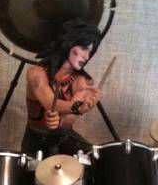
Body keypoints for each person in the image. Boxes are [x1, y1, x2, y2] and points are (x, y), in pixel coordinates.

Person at [21, 18, 102, 157]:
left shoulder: (81, 81)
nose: (86, 56)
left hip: (64, 137)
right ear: (68, 44)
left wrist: (60, 121)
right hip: (35, 140)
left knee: (95, 158)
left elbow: (67, 121)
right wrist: (77, 107)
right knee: (36, 169)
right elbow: (49, 103)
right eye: (83, 49)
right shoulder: (36, 73)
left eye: (90, 51)